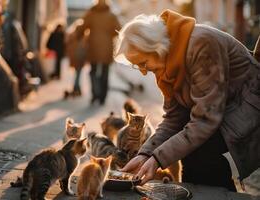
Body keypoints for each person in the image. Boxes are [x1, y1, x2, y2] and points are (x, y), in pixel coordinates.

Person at [115, 10, 260, 191]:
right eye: (138, 67)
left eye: (143, 63)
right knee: (190, 150)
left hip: (247, 109)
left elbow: (205, 120)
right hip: (220, 110)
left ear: (156, 47)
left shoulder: (201, 43)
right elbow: (173, 118)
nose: (143, 72)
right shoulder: (165, 63)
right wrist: (145, 153)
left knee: (201, 154)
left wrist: (158, 159)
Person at [78, 0, 121, 105]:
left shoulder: (91, 13)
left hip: (93, 47)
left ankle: (94, 95)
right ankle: (102, 97)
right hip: (107, 48)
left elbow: (82, 27)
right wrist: (109, 35)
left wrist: (78, 36)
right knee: (105, 73)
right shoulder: (111, 15)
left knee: (93, 71)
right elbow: (119, 29)